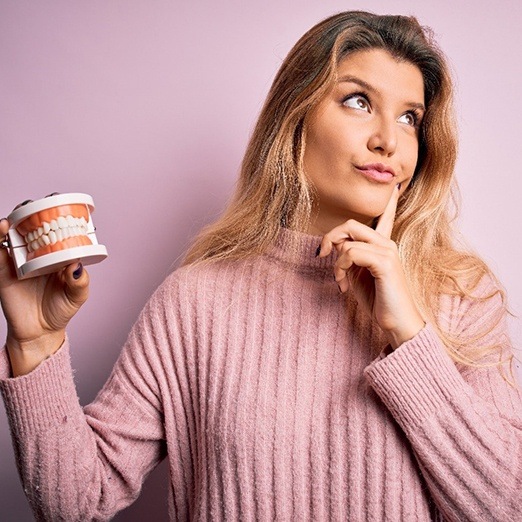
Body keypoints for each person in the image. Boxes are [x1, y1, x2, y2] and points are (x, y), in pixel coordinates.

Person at [0, 10, 521, 521]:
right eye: (359, 101)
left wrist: (410, 337)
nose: (389, 138)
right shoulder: (195, 301)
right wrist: (34, 345)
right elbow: (77, 502)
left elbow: (506, 509)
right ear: (295, 118)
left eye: (410, 117)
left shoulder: (460, 296)